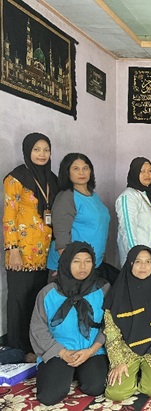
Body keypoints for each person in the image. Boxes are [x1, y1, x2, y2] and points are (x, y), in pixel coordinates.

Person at [30, 241, 110, 405]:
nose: (83, 267)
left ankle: (79, 370)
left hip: (91, 350)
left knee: (95, 387)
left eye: (88, 261)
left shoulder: (102, 289)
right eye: (76, 261)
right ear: (66, 263)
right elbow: (38, 329)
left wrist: (91, 350)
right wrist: (62, 352)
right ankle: (67, 371)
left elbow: (109, 324)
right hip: (58, 350)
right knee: (49, 397)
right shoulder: (48, 293)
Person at [3, 132, 58, 359]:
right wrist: (12, 249)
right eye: (37, 149)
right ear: (27, 151)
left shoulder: (52, 179)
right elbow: (9, 216)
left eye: (46, 150)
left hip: (45, 254)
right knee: (19, 301)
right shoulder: (15, 179)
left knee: (37, 301)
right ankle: (17, 350)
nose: (42, 154)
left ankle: (34, 348)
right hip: (21, 254)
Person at [103, 245, 151, 401]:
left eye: (148, 262)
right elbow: (111, 332)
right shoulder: (118, 292)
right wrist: (118, 361)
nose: (143, 266)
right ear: (130, 264)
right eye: (138, 262)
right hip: (127, 349)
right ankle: (133, 373)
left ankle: (142, 374)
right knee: (116, 393)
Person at [47, 153, 110, 276]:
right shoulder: (67, 197)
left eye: (85, 168)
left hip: (91, 264)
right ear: (67, 172)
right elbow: (61, 236)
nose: (82, 172)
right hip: (72, 267)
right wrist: (70, 266)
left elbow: (99, 229)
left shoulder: (94, 196)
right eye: (76, 169)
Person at [116, 157, 151, 266]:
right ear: (134, 173)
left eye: (150, 171)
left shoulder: (150, 195)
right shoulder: (128, 197)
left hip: (150, 256)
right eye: (142, 171)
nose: (147, 174)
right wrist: (136, 258)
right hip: (137, 260)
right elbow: (128, 231)